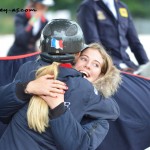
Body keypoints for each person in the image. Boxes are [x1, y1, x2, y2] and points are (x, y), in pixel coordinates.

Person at [0, 19, 121, 150]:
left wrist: (56, 106)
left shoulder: (27, 68)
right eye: (84, 59)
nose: (87, 65)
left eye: (96, 64)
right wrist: (27, 89)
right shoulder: (84, 90)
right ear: (77, 56)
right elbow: (113, 112)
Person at [77, 0, 149, 72]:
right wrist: (111, 66)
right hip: (107, 64)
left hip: (127, 63)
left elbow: (135, 42)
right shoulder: (88, 6)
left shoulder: (122, 7)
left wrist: (146, 66)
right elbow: (94, 43)